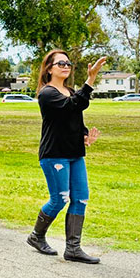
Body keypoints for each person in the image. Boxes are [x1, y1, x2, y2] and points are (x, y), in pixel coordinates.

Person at [26, 51, 106, 264]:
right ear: (49, 68)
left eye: (68, 63)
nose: (66, 66)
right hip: (54, 154)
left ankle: (73, 248)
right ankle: (36, 236)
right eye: (60, 63)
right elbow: (72, 105)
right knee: (60, 199)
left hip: (74, 153)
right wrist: (91, 79)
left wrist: (85, 135)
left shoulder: (69, 90)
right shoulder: (47, 93)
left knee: (81, 197)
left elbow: (75, 116)